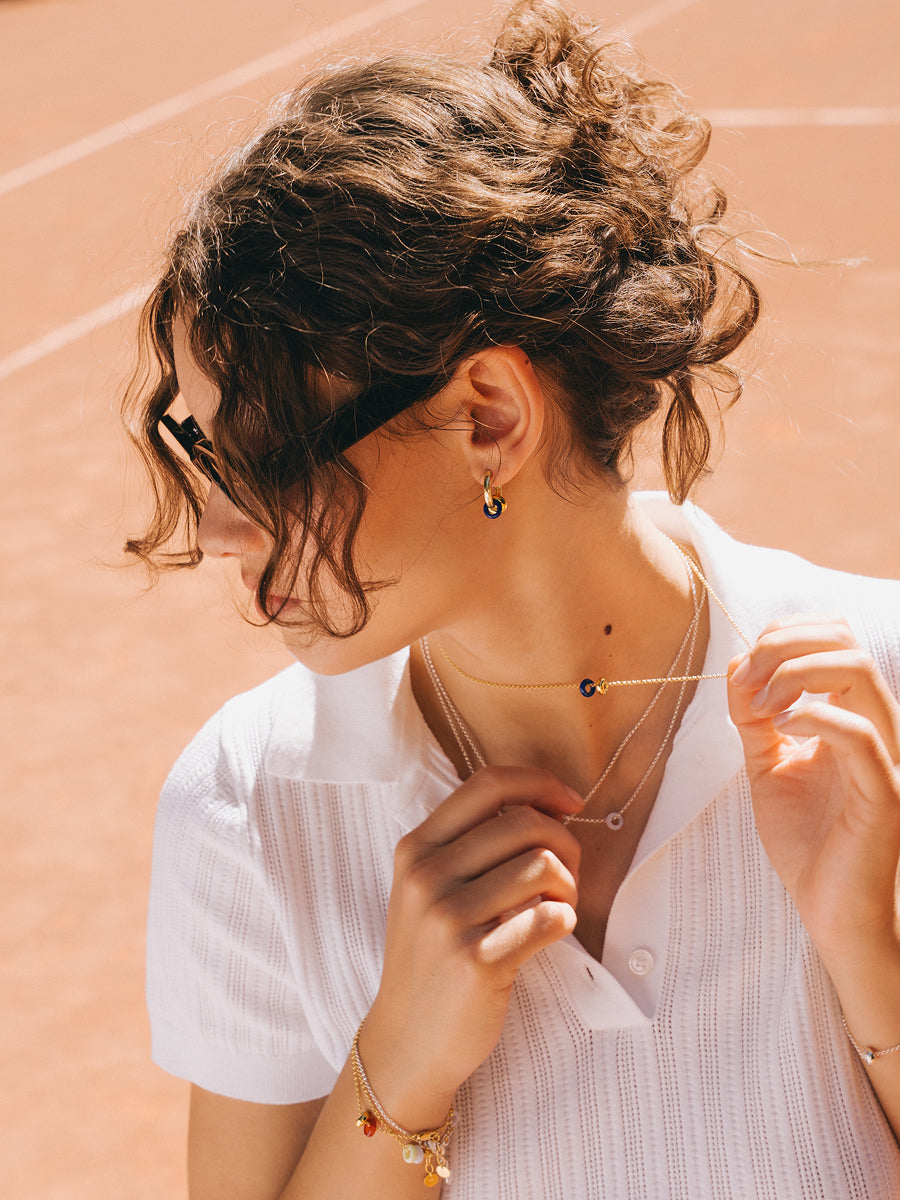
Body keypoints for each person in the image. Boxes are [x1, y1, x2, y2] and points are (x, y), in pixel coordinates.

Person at [123, 2, 900, 1196]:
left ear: (487, 416)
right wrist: (400, 1061)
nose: (219, 526)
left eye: (263, 458)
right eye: (202, 448)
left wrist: (868, 950)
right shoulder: (246, 806)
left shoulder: (875, 701)